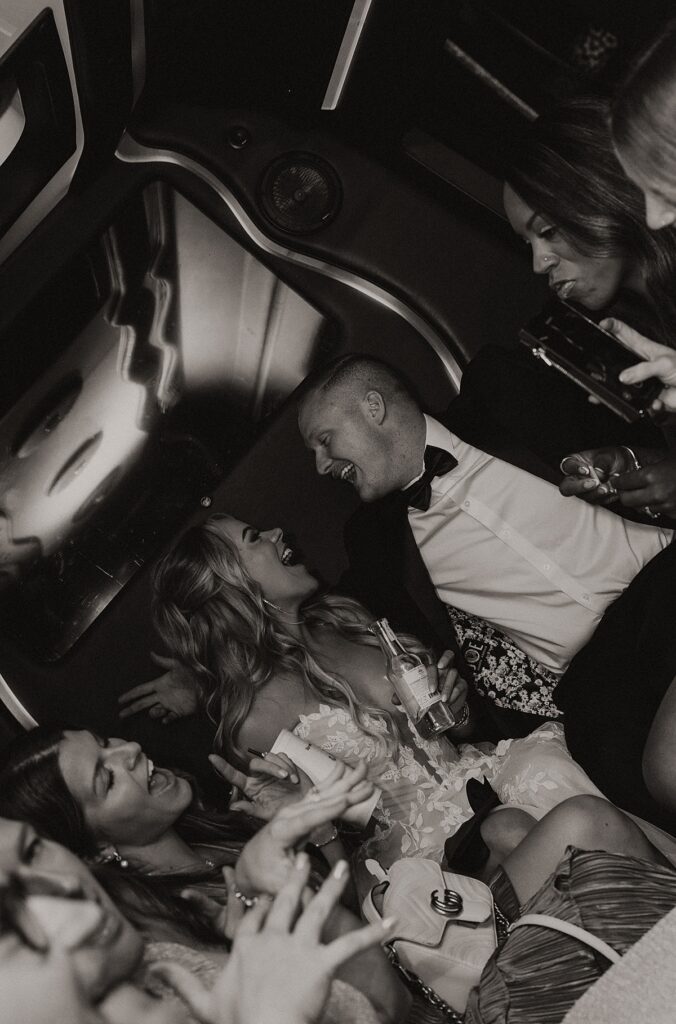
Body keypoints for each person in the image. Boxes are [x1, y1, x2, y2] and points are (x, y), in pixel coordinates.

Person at [124, 513, 637, 882]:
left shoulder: (346, 617)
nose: (279, 532)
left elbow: (454, 733)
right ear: (230, 588)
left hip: (484, 775)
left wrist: (456, 710)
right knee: (518, 830)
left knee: (547, 773)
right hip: (427, 851)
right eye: (254, 538)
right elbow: (328, 835)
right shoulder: (252, 724)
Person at [296, 353, 673, 730]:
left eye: (324, 441)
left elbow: (645, 430)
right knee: (605, 750)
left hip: (662, 575)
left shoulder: (501, 393)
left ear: (373, 408)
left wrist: (642, 461)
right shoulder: (374, 546)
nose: (320, 465)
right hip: (597, 677)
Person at [0, 729, 409, 1023]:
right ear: (96, 848)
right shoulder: (160, 933)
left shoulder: (221, 828)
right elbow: (375, 1005)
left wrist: (315, 827)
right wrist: (287, 891)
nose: (130, 750)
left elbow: (347, 907)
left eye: (105, 742)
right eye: (107, 779)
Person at [458, 95, 676, 477]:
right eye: (527, 243)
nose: (538, 263)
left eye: (547, 232)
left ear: (602, 194)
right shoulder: (620, 339)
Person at [0, 814, 390, 1024]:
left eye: (32, 850)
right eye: (7, 917)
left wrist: (288, 897)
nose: (67, 886)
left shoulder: (165, 962)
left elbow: (381, 1008)